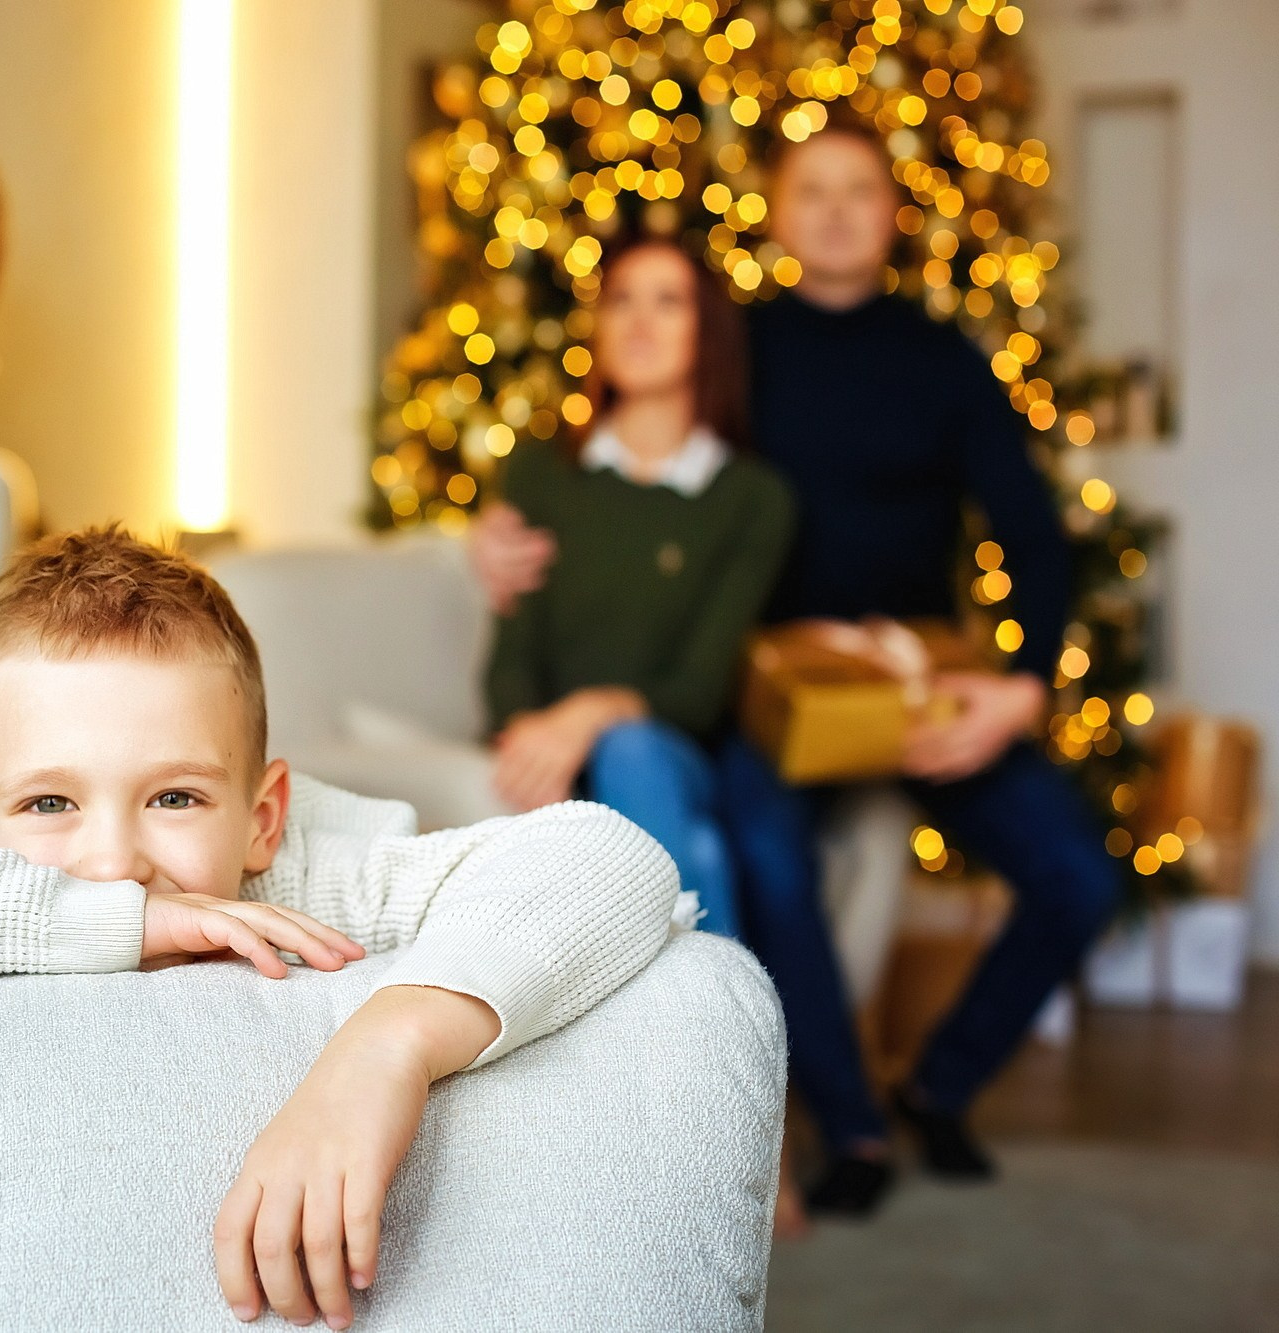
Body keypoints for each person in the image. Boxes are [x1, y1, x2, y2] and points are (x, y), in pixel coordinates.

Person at [0, 526, 683, 1329]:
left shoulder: (300, 878)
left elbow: (613, 855)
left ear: (260, 816)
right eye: (50, 803)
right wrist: (84, 923)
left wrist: (383, 1048)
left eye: (173, 797)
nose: (112, 859)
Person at [471, 123, 1121, 1218]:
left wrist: (1022, 687)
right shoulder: (732, 346)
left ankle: (938, 1084)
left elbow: (1031, 530)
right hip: (762, 698)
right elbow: (610, 466)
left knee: (1076, 875)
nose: (830, 210)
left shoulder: (943, 360)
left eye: (856, 189)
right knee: (769, 860)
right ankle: (849, 1125)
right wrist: (492, 531)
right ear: (776, 211)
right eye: (808, 189)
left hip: (915, 685)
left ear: (890, 212)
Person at [484, 233, 794, 941]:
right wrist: (537, 735)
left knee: (632, 750)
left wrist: (594, 713)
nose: (639, 322)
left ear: (706, 332)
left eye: (668, 301)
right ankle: (721, 1043)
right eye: (621, 300)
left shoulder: (751, 498)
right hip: (550, 761)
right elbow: (509, 656)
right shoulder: (542, 474)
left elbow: (698, 692)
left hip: (673, 759)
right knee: (703, 855)